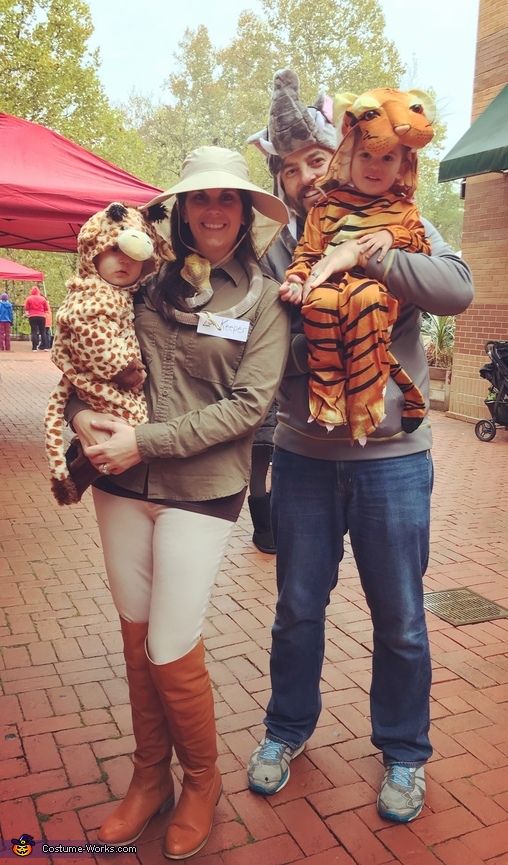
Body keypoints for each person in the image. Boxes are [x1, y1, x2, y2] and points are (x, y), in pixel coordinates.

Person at [246, 69, 474, 823]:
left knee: (402, 617)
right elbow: (258, 344)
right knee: (297, 609)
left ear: (341, 154)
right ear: (283, 176)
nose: (310, 175)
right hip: (305, 455)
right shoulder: (283, 247)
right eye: (293, 168)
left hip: (393, 461)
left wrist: (371, 256)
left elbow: (456, 290)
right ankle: (286, 730)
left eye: (319, 159)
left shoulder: (400, 217)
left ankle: (405, 751)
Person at [66, 146, 290, 860]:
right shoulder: (142, 279)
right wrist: (78, 417)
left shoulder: (259, 297)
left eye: (228, 199)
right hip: (120, 486)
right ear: (182, 210)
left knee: (170, 643)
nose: (214, 211)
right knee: (135, 639)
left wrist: (145, 441)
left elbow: (250, 405)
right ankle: (147, 777)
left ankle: (202, 779)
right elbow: (86, 351)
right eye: (201, 200)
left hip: (202, 488)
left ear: (248, 211)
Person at [280, 87, 435, 443]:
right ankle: (329, 396)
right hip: (329, 296)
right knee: (318, 302)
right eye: (365, 155)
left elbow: (421, 246)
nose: (374, 167)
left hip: (374, 296)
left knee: (365, 296)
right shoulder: (324, 208)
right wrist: (297, 280)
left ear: (403, 165)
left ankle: (366, 404)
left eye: (387, 159)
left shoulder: (406, 211)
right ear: (348, 155)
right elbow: (308, 253)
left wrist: (392, 237)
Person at [44, 202, 170, 506]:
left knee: (127, 424)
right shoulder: (96, 295)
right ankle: (80, 467)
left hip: (111, 380)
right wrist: (121, 369)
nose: (124, 262)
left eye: (133, 256)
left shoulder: (121, 293)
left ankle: (80, 466)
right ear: (94, 254)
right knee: (130, 422)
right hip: (108, 379)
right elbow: (92, 340)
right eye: (114, 251)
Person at [23, 284, 49, 350]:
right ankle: (45, 347)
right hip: (42, 316)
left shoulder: (29, 298)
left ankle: (34, 347)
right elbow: (46, 308)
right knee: (43, 331)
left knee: (34, 331)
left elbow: (26, 308)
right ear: (38, 291)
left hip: (32, 316)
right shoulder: (43, 299)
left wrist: (27, 314)